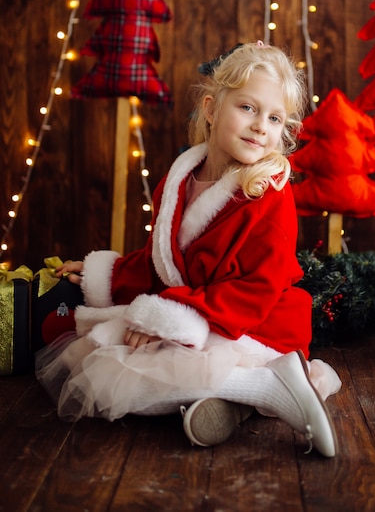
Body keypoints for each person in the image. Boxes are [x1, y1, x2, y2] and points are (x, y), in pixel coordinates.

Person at [35, 41, 341, 457]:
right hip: (198, 310)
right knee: (92, 355)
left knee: (126, 373)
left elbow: (258, 288)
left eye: (274, 118)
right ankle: (238, 403)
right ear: (212, 108)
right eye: (248, 108)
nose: (260, 127)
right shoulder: (179, 180)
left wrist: (176, 319)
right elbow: (160, 263)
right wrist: (104, 275)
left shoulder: (269, 194)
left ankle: (269, 385)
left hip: (253, 322)